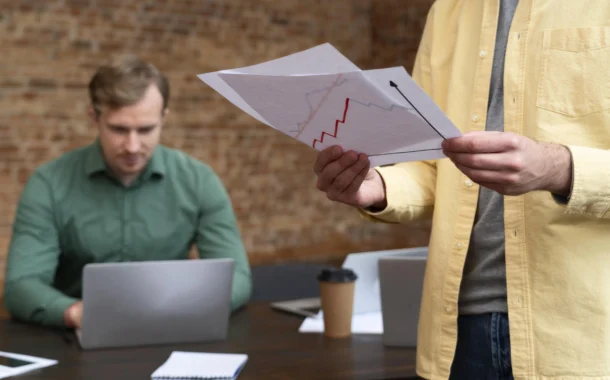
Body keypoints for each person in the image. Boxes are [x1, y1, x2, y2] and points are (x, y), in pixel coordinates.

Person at [314, 1, 610, 379]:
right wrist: (380, 186)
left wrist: (559, 168)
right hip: (458, 336)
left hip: (585, 342)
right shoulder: (448, 11)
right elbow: (432, 168)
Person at [3, 55, 252, 329]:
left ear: (164, 118)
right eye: (119, 129)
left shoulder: (199, 180)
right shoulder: (48, 184)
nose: (132, 146)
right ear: (94, 118)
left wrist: (187, 308)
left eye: (146, 129)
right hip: (75, 337)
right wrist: (75, 313)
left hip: (173, 327)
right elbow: (22, 286)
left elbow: (237, 277)